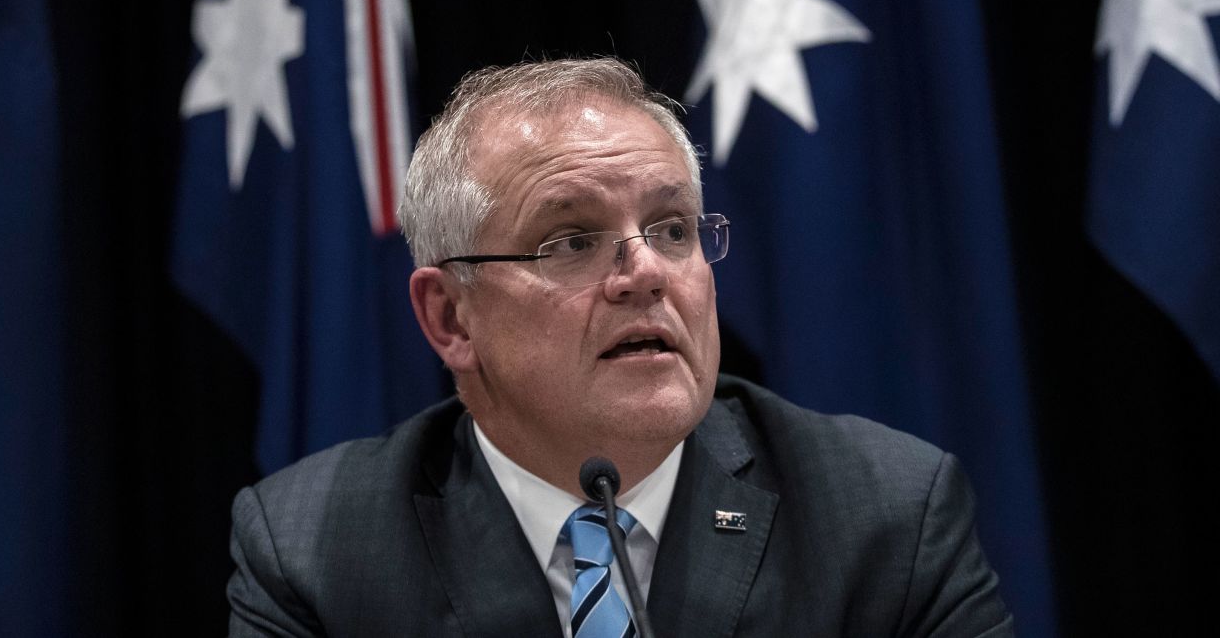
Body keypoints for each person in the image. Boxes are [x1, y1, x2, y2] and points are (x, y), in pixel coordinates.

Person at [226, 57, 1013, 636]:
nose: (644, 274)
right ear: (451, 318)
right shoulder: (313, 549)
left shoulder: (887, 516)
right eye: (571, 240)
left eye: (672, 229)